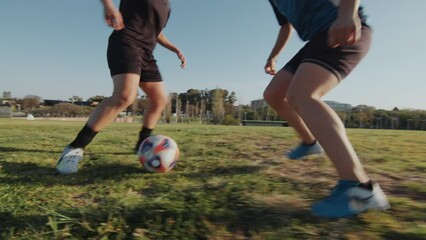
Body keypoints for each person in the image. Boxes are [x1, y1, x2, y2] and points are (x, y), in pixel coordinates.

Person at [263, 0, 390, 218]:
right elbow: (286, 26)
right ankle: (310, 142)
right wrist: (273, 55)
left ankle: (361, 189)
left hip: (343, 27)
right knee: (273, 94)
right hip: (316, 40)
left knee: (303, 95)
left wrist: (347, 12)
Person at [56, 0, 186, 175]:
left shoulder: (167, 7)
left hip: (146, 54)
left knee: (160, 99)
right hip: (126, 42)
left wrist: (175, 48)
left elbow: (157, 32)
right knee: (125, 96)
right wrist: (109, 6)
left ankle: (142, 143)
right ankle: (73, 149)